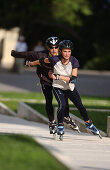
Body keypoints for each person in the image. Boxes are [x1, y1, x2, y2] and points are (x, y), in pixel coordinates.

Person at [26, 40, 101, 137]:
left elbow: (73, 79)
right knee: (62, 105)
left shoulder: (74, 61)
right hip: (58, 87)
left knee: (80, 106)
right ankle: (60, 125)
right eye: (65, 51)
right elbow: (42, 60)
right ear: (60, 51)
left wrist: (57, 77)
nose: (67, 54)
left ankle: (88, 123)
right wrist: (31, 64)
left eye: (69, 51)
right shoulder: (54, 59)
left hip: (70, 88)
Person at [11, 37, 79, 134]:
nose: (54, 49)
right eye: (51, 47)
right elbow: (27, 54)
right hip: (45, 79)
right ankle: (51, 121)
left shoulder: (63, 55)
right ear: (48, 47)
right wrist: (13, 53)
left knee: (64, 99)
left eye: (56, 47)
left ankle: (66, 117)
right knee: (48, 99)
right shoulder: (40, 54)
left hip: (58, 80)